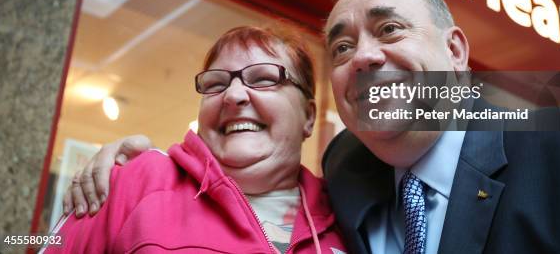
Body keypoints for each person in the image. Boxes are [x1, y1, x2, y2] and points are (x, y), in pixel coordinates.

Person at [65, 0, 560, 254]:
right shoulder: (136, 181)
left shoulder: (330, 203)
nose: (365, 56)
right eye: (342, 48)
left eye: (390, 28)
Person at [45, 26, 347, 253]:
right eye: (216, 84)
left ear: (308, 117)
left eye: (264, 79)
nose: (233, 95)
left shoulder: (350, 212)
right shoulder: (138, 181)